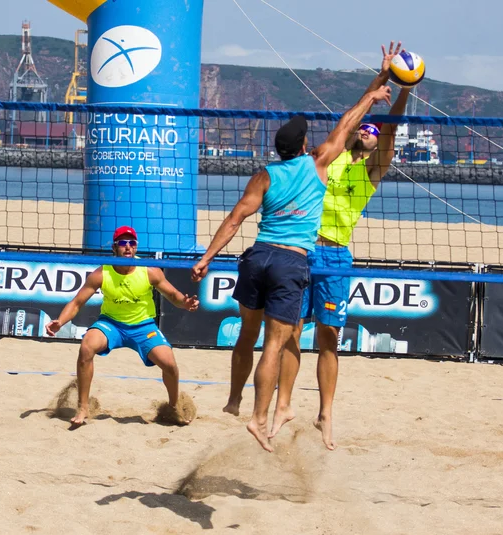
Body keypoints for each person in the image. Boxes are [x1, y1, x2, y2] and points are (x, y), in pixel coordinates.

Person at [191, 83, 392, 452]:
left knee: (262, 334)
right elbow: (346, 125)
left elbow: (236, 218)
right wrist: (372, 96)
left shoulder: (267, 174)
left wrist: (206, 258)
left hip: (275, 256)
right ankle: (265, 411)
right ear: (302, 147)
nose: (367, 134)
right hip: (293, 259)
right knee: (278, 341)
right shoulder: (320, 163)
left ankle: (251, 402)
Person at [274, 42, 412, 450]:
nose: (368, 133)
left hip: (335, 253)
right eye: (364, 131)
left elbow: (387, 126)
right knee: (290, 331)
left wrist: (405, 87)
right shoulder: (330, 157)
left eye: (373, 133)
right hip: (302, 248)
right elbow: (358, 113)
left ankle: (325, 413)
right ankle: (284, 404)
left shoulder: (373, 170)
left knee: (329, 337)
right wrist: (382, 74)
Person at [46, 225, 200, 427]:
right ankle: (83, 407)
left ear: (136, 247)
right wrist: (60, 321)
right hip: (111, 325)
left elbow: (173, 296)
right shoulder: (102, 273)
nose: (128, 247)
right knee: (86, 347)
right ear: (114, 247)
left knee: (170, 364)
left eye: (132, 243)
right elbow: (76, 303)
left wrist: (185, 303)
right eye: (123, 243)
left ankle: (173, 407)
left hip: (143, 327)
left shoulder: (149, 270)